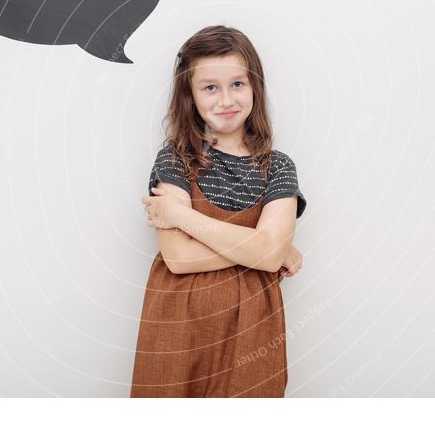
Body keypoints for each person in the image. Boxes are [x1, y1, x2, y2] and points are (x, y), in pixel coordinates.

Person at [130, 25, 307, 398]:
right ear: (190, 96)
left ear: (255, 87)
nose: (225, 100)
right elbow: (179, 258)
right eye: (210, 87)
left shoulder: (278, 167)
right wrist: (261, 250)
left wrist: (183, 217)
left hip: (253, 329)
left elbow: (271, 252)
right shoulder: (175, 160)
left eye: (237, 84)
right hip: (180, 323)